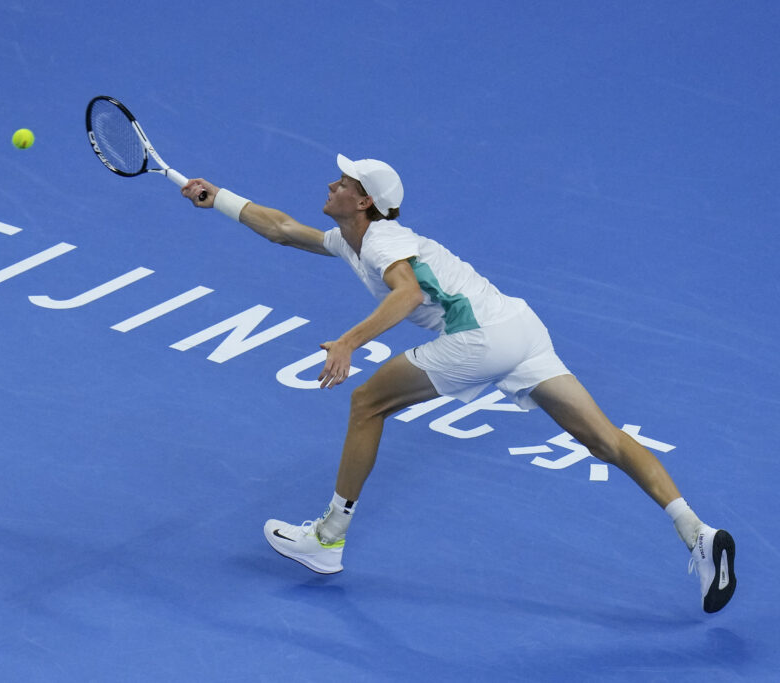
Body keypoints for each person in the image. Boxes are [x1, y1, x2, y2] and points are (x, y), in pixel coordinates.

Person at [180, 154, 736, 613]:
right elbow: (281, 230)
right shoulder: (353, 239)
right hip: (521, 328)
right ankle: (697, 532)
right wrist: (220, 198)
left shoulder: (379, 243)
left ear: (364, 199)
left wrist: (349, 342)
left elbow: (407, 296)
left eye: (344, 182)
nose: (332, 183)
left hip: (480, 338)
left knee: (367, 403)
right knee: (604, 440)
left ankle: (327, 539)